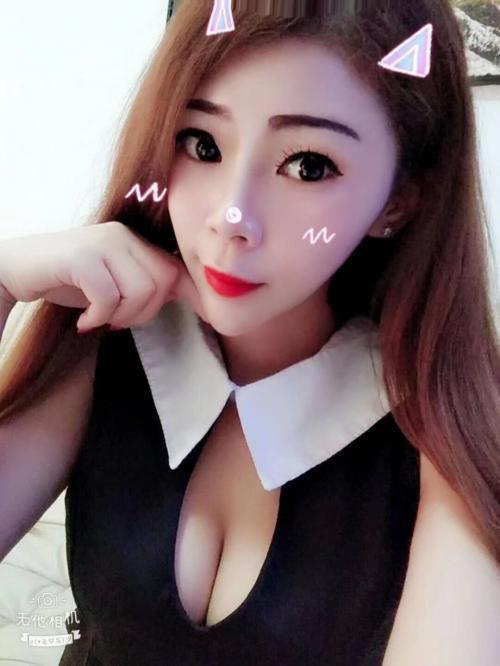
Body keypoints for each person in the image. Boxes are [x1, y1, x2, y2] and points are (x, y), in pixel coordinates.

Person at [0, 0, 499, 663]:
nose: (232, 217)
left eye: (309, 165)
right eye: (202, 144)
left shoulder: (443, 429)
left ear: (399, 202)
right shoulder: (113, 339)